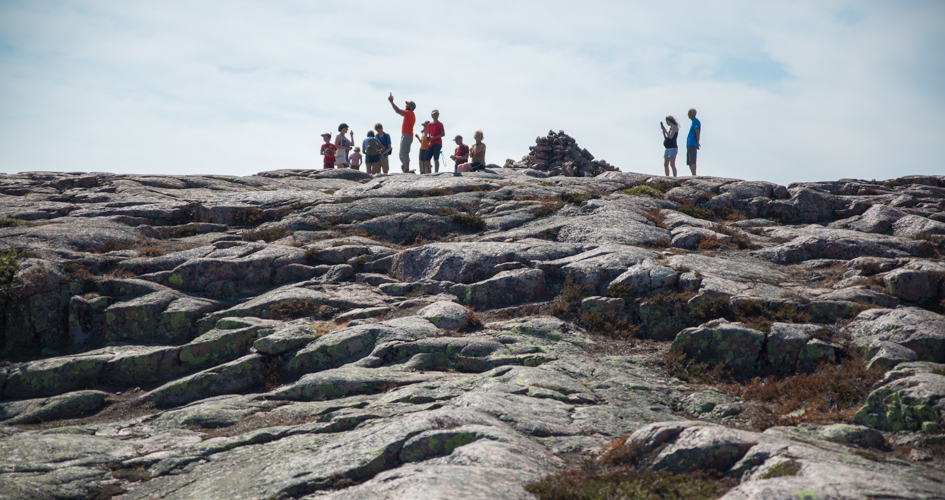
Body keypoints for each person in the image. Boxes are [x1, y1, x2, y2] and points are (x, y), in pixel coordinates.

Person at [388, 93, 416, 172]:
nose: (406, 105)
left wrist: (391, 102)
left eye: (408, 104)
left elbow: (397, 111)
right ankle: (406, 169)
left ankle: (407, 169)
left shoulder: (410, 113)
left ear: (411, 107)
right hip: (406, 135)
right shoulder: (409, 114)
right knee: (402, 154)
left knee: (404, 152)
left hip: (407, 135)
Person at [686, 108, 701, 176]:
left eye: (689, 113)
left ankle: (694, 174)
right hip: (689, 143)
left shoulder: (695, 121)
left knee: (692, 159)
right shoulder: (693, 121)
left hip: (692, 143)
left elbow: (697, 131)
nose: (688, 115)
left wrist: (697, 142)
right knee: (689, 161)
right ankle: (693, 174)